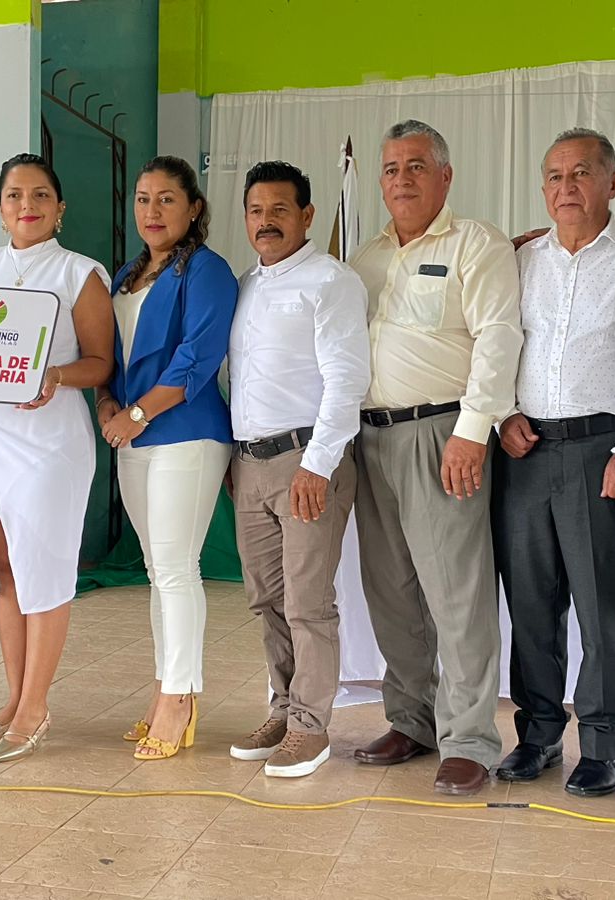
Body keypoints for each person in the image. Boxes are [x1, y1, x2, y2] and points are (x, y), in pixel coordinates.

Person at [348, 120, 523, 795]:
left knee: (456, 593)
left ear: (445, 176)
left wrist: (473, 431)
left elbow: (498, 338)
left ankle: (470, 738)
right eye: (392, 168)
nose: (402, 179)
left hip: (441, 434)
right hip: (369, 439)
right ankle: (411, 721)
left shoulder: (475, 243)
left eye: (417, 166)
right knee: (391, 592)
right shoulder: (363, 259)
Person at [493, 128, 615, 797]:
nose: (566, 188)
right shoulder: (520, 262)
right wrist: (502, 415)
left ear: (613, 182)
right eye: (554, 176)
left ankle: (606, 743)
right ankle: (538, 735)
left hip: (602, 450)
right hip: (525, 451)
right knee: (530, 604)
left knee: (602, 606)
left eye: (581, 173)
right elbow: (494, 346)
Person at [0, 154, 114, 762]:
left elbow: (101, 363)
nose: (28, 205)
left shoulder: (79, 273)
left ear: (60, 208)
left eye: (41, 194)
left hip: (49, 442)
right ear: (0, 209)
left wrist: (55, 376)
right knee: (5, 562)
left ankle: (36, 706)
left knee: (42, 566)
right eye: (15, 195)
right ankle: (13, 698)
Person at [226, 161, 370, 778]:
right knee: (267, 600)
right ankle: (283, 708)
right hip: (249, 462)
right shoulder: (244, 285)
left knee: (307, 602)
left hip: (306, 460)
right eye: (256, 211)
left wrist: (317, 465)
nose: (266, 222)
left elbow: (347, 379)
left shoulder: (331, 281)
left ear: (307, 215)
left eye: (279, 210)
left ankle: (311, 726)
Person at [97, 155, 238, 762]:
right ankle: (164, 691)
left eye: (166, 199)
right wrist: (107, 404)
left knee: (178, 569)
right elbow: (108, 353)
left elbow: (195, 358)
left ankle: (180, 698)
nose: (152, 211)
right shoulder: (125, 275)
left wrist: (134, 415)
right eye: (143, 198)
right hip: (133, 434)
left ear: (194, 207)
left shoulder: (207, 270)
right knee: (158, 571)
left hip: (186, 431)